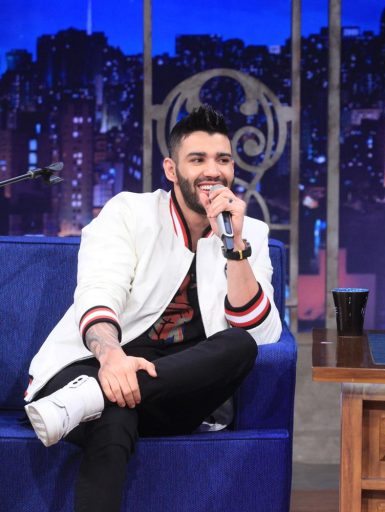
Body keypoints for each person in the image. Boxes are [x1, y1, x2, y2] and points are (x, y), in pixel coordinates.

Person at [23, 105, 282, 511]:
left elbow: (260, 334)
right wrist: (112, 359)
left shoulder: (249, 233)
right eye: (197, 159)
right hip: (95, 364)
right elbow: (99, 291)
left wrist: (234, 247)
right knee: (114, 417)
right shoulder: (129, 212)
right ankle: (101, 392)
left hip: (175, 387)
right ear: (171, 169)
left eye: (223, 160)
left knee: (239, 345)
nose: (212, 171)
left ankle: (91, 397)